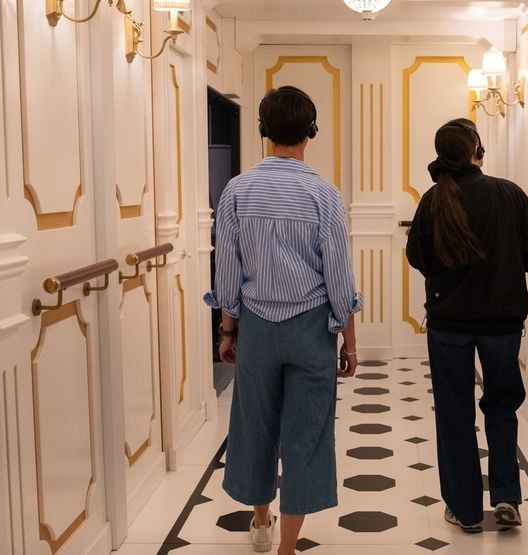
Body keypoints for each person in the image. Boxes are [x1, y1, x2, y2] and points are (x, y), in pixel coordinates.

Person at [204, 85, 362, 555]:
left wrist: (228, 330)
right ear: (310, 131)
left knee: (254, 423)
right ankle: (287, 548)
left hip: (256, 324)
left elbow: (227, 272)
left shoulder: (237, 190)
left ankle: (259, 521)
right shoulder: (323, 194)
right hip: (311, 327)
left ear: (263, 130)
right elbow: (339, 277)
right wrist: (349, 345)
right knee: (307, 432)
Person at [405, 119, 528, 533]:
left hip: (449, 321)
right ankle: (506, 497)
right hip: (503, 320)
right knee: (502, 407)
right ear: (476, 152)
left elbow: (417, 257)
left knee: (454, 413)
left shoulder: (433, 199)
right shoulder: (508, 193)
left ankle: (465, 510)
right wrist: (502, 270)